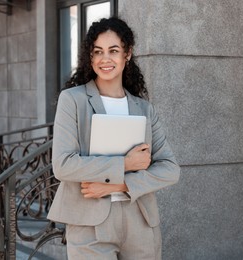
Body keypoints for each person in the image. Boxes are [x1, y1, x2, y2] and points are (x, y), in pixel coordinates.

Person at [47, 17, 180, 260]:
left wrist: (119, 185)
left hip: (139, 219)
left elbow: (170, 169)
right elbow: (63, 165)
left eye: (113, 51)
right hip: (89, 221)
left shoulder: (144, 109)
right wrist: (125, 164)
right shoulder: (73, 100)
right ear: (90, 56)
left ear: (127, 54)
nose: (105, 59)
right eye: (98, 52)